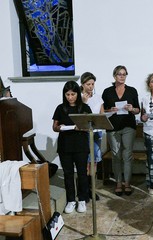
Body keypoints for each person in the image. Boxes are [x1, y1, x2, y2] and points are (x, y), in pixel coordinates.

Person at [52, 81, 92, 214]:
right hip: (65, 146)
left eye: (73, 94)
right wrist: (61, 127)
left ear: (78, 94)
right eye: (67, 94)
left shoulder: (85, 108)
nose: (70, 97)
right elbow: (55, 127)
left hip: (81, 146)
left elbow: (90, 126)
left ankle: (82, 199)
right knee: (68, 174)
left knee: (82, 173)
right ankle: (70, 200)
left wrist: (83, 127)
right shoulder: (60, 108)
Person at [102, 65, 140, 196]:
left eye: (124, 74)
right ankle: (118, 183)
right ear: (114, 76)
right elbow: (103, 111)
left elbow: (138, 110)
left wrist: (132, 109)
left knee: (127, 155)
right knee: (116, 155)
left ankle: (127, 183)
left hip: (128, 126)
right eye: (119, 74)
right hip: (112, 127)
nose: (122, 76)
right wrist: (109, 110)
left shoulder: (132, 91)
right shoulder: (107, 92)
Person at [80, 72, 105, 201]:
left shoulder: (98, 97)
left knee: (93, 161)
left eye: (92, 84)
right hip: (83, 133)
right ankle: (84, 189)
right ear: (82, 84)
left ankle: (92, 188)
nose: (90, 87)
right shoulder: (79, 97)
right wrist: (84, 102)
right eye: (88, 84)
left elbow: (102, 114)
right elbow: (78, 115)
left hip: (96, 133)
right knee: (85, 161)